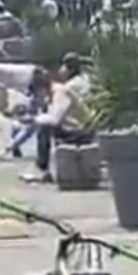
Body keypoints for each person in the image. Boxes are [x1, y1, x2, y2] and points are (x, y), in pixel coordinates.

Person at [30, 53, 92, 182]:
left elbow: (55, 119)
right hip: (87, 126)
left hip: (79, 129)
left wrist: (33, 119)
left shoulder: (63, 90)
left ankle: (42, 170)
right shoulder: (83, 81)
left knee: (44, 127)